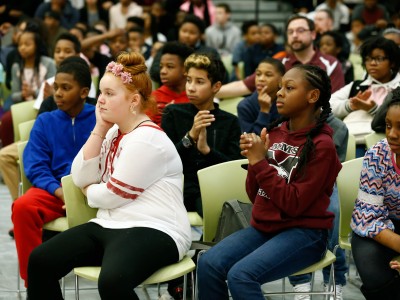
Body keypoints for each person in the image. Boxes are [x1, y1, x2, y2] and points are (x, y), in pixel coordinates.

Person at [27, 51, 192, 300]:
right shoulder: (114, 130)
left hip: (157, 228)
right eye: (101, 92)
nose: (100, 100)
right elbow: (80, 175)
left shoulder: (148, 139)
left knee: (113, 281)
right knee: (40, 261)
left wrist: (89, 192)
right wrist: (99, 128)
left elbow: (112, 195)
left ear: (134, 101)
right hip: (109, 224)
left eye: (109, 94)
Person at [197, 64, 342, 299]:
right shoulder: (276, 132)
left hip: (305, 234)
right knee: (209, 264)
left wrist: (260, 163)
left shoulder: (322, 146)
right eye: (281, 87)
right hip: (266, 227)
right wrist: (256, 163)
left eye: (289, 88)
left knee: (241, 276)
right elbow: (255, 195)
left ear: (312, 96)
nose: (279, 93)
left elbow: (294, 204)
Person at [161, 52, 242, 300]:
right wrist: (191, 137)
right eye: (189, 80)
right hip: (179, 187)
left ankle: (206, 273)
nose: (191, 87)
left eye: (199, 82)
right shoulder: (174, 114)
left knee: (224, 213)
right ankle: (179, 278)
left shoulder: (229, 122)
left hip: (214, 191)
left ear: (216, 86)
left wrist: (207, 151)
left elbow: (233, 168)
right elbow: (165, 161)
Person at [12, 56, 96, 288]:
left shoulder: (102, 118)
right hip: (55, 192)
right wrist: (59, 192)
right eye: (56, 87)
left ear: (83, 92)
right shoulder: (45, 121)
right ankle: (35, 283)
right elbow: (35, 165)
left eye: (65, 88)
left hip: (95, 193)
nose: (57, 93)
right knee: (22, 207)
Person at [216, 14, 345, 99]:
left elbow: (334, 101)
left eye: (300, 30)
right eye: (290, 32)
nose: (294, 35)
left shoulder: (330, 63)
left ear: (313, 34)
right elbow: (243, 86)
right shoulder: (278, 62)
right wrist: (208, 92)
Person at [350, 87, 400, 299]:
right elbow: (367, 217)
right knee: (373, 270)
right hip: (381, 225)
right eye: (388, 125)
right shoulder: (378, 155)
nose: (392, 134)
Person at [330, 36, 400, 157]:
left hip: (381, 144)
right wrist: (350, 105)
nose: (372, 63)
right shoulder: (357, 86)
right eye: (368, 59)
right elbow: (327, 106)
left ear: (392, 62)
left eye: (379, 58)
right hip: (346, 141)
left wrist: (372, 109)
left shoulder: (398, 88)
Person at [149, 41, 194, 126]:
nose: (163, 71)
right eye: (161, 67)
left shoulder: (196, 98)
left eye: (170, 66)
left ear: (185, 69)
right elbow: (147, 130)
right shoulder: (153, 98)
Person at [237, 57, 284, 134]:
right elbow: (251, 142)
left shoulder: (287, 102)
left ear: (281, 80)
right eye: (258, 74)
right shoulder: (244, 106)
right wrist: (264, 111)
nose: (261, 79)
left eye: (268, 75)